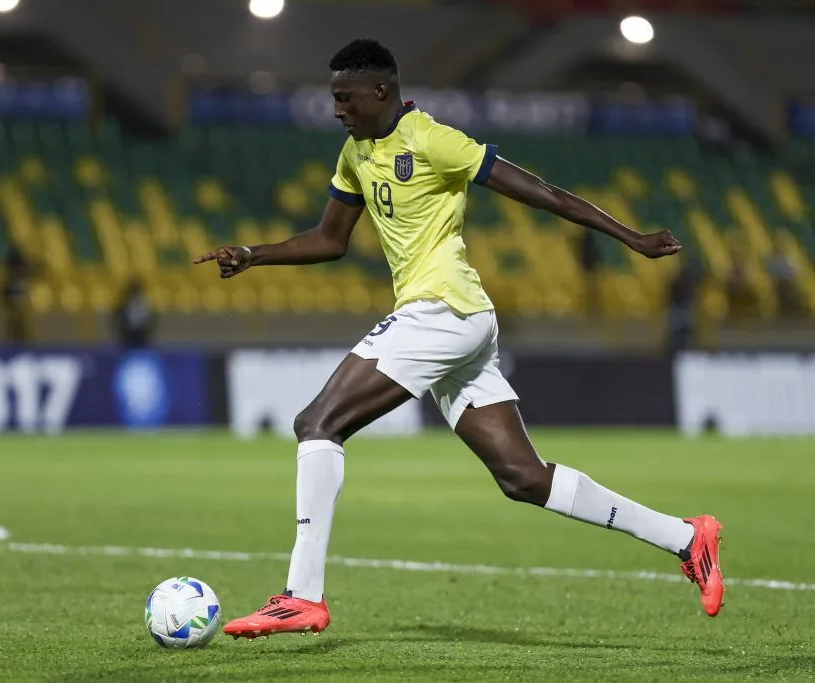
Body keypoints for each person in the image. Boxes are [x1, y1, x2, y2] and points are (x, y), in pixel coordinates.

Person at [194, 39, 724, 640]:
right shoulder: (354, 153)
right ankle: (686, 538)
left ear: (379, 92)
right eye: (333, 99)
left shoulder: (431, 139)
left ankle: (300, 596)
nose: (337, 110)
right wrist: (252, 254)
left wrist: (629, 237)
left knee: (318, 423)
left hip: (442, 311)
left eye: (344, 99)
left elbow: (542, 192)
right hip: (458, 321)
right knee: (523, 478)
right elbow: (330, 238)